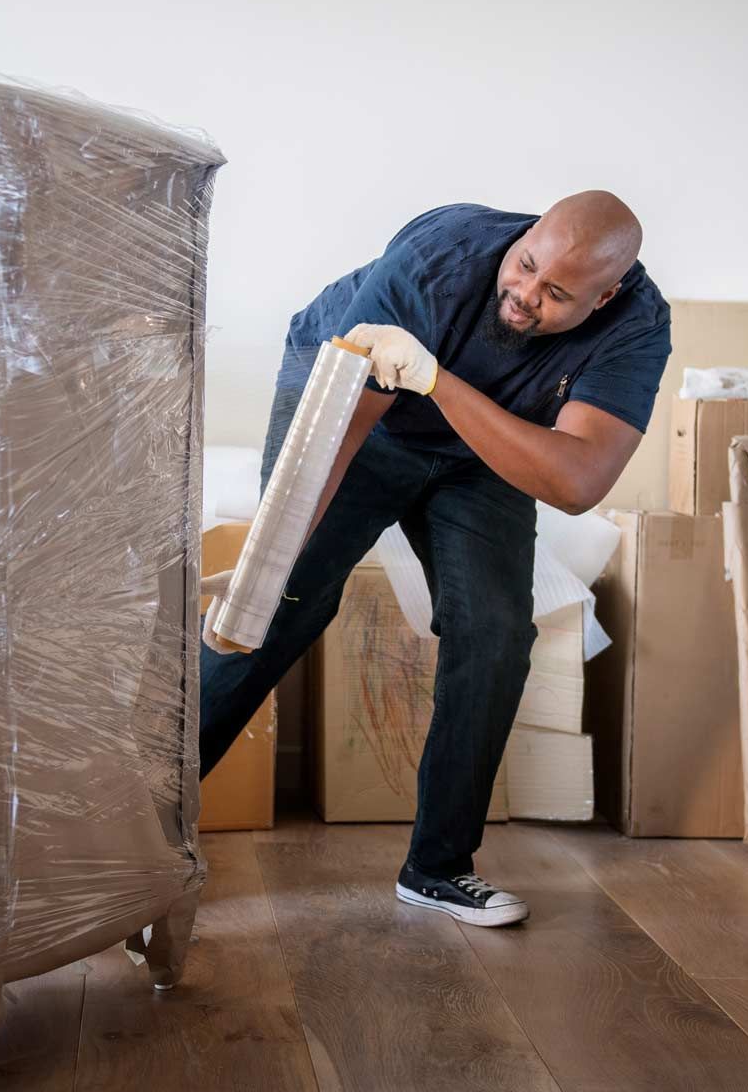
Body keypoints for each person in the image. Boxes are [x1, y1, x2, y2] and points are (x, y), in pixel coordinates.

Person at [201, 192, 671, 927]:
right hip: (354, 400)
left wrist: (437, 381)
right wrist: (276, 551)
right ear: (525, 235)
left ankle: (439, 866)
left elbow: (578, 481)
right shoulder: (438, 259)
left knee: (496, 629)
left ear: (605, 296)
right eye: (524, 266)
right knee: (282, 601)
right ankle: (138, 834)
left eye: (556, 294)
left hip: (479, 439)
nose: (523, 295)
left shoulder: (637, 325)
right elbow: (348, 424)